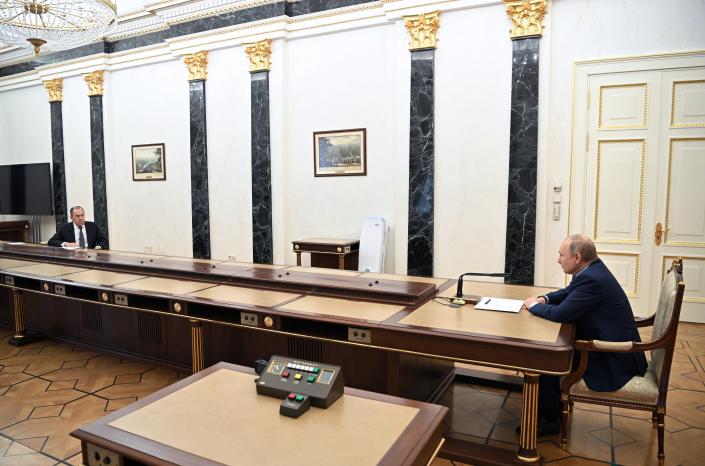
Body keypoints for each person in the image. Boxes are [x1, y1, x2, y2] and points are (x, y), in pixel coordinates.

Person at [522, 234, 647, 435]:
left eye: (561, 255)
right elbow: (568, 292)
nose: (558, 259)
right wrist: (544, 298)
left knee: (544, 357)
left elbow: (561, 313)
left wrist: (534, 306)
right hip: (605, 341)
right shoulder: (592, 269)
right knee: (548, 350)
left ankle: (548, 419)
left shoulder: (593, 279)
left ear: (577, 257)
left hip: (613, 356)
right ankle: (542, 404)